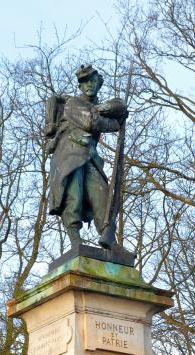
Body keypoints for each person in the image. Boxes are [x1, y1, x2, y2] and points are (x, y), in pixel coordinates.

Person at [46, 64, 128, 249]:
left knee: (103, 196)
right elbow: (91, 122)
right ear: (80, 86)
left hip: (90, 157)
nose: (88, 85)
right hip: (70, 156)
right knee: (73, 195)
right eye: (84, 82)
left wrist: (113, 114)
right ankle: (75, 240)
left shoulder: (95, 106)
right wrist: (114, 121)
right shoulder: (72, 104)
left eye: (92, 81)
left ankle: (109, 239)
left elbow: (118, 106)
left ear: (98, 83)